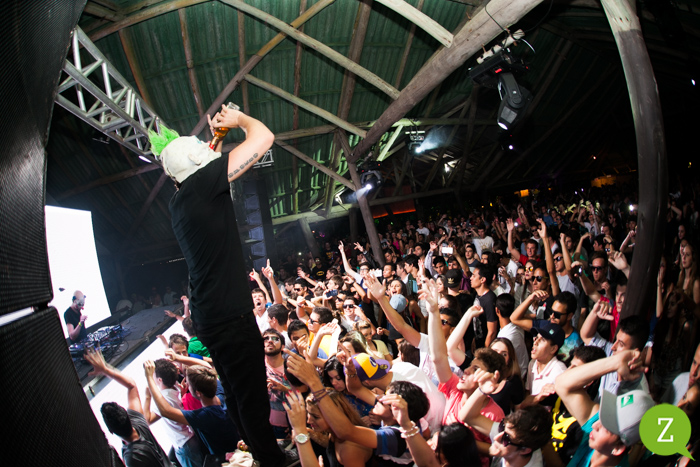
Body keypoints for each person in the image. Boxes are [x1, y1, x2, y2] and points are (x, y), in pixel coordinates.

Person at [148, 105, 289, 466]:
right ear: (195, 162)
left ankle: (259, 452)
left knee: (238, 395)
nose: (205, 147)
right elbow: (264, 138)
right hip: (228, 314)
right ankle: (271, 460)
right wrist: (239, 121)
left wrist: (219, 137)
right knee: (253, 397)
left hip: (210, 314)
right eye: (199, 147)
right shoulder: (202, 184)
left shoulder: (182, 198)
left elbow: (204, 158)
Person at [554, 350, 655, 467]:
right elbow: (562, 385)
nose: (594, 425)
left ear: (618, 448)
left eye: (606, 426)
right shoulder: (597, 433)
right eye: (604, 414)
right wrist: (616, 362)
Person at [84, 348, 173, 467]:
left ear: (111, 431)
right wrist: (105, 369)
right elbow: (131, 385)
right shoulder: (138, 421)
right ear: (128, 416)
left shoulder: (132, 457)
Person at [459, 368, 553, 467]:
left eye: (506, 438)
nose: (496, 437)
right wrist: (482, 391)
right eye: (502, 426)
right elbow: (468, 416)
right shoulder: (512, 433)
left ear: (525, 450)